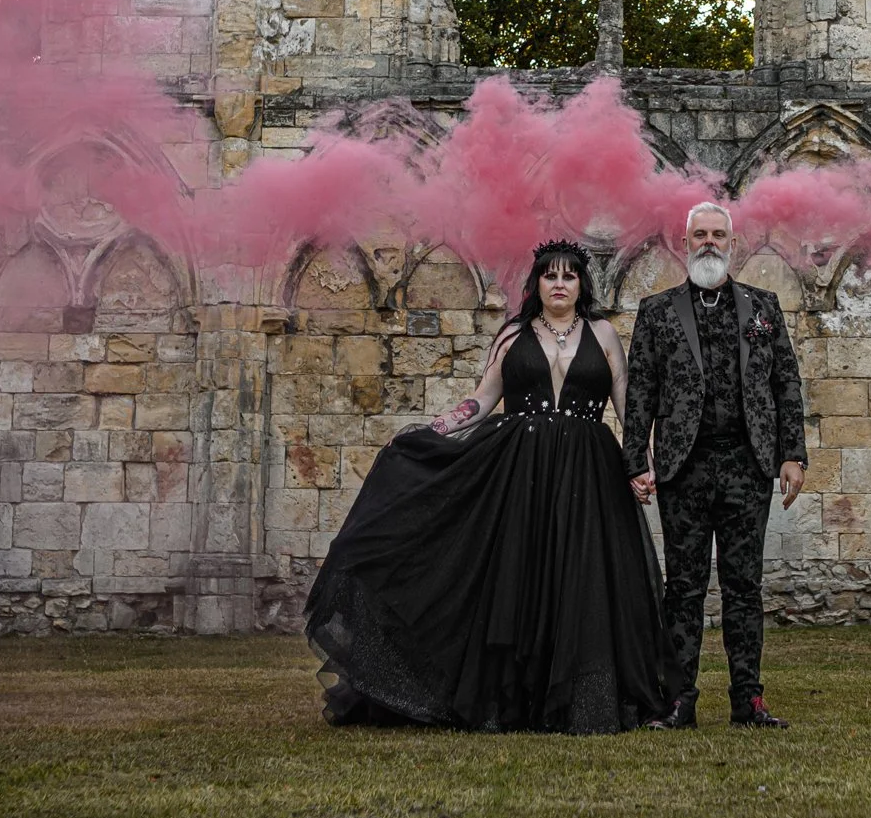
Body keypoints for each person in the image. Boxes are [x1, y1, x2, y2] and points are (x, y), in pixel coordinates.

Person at [302, 240, 668, 734]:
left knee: (584, 580)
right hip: (521, 472)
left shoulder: (604, 334)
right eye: (549, 276)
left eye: (569, 276)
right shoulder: (512, 335)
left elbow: (626, 406)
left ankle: (583, 698)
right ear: (535, 283)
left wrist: (640, 466)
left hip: (589, 473)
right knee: (520, 576)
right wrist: (432, 430)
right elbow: (482, 399)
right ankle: (512, 698)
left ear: (582, 284)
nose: (559, 284)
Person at [623, 201, 807, 729]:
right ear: (685, 245)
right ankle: (679, 700)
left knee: (744, 585)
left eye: (717, 235)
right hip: (684, 467)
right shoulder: (657, 311)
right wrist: (637, 459)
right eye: (699, 235)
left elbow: (786, 384)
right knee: (682, 587)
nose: (708, 243)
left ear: (733, 243)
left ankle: (748, 699)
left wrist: (792, 453)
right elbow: (641, 391)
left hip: (747, 466)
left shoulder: (763, 307)